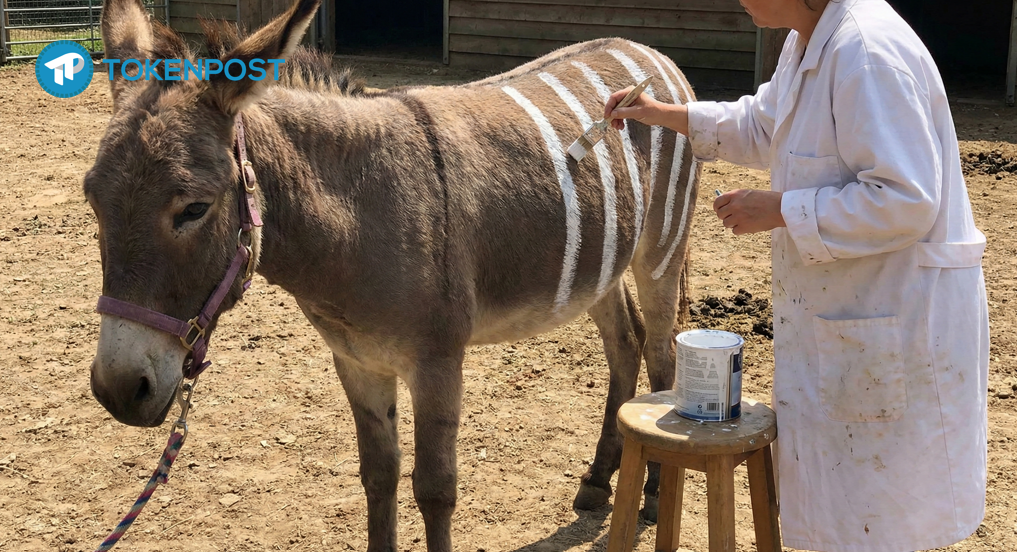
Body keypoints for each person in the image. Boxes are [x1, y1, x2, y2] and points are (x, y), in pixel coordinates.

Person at [604, 0, 990, 550]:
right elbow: (763, 125)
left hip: (891, 310)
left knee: (879, 514)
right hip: (850, 315)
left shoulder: (868, 55)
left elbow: (906, 199)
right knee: (848, 507)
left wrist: (783, 209)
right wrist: (661, 113)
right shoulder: (808, 40)